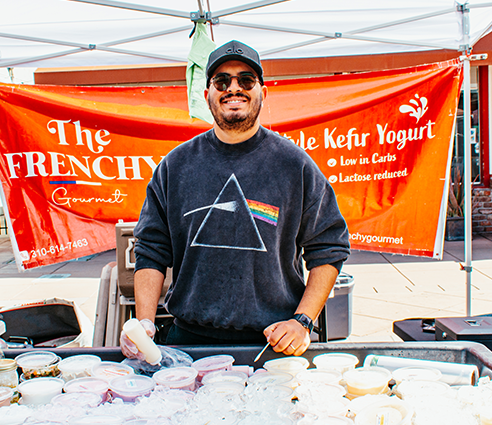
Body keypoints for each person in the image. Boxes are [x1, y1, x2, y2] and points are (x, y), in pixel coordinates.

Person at [120, 40, 350, 359]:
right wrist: (144, 322)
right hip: (188, 339)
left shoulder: (295, 165)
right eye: (221, 81)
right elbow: (151, 249)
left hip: (273, 342)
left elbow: (328, 247)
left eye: (246, 80)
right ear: (207, 96)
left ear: (262, 93)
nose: (234, 88)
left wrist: (302, 321)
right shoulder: (175, 166)